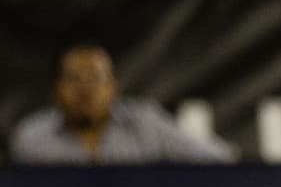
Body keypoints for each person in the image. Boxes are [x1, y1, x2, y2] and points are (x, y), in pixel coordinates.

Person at [9, 44, 234, 164]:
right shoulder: (32, 138)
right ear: (57, 90)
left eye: (96, 78)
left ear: (113, 88)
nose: (85, 89)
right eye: (74, 78)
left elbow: (219, 159)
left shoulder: (147, 124)